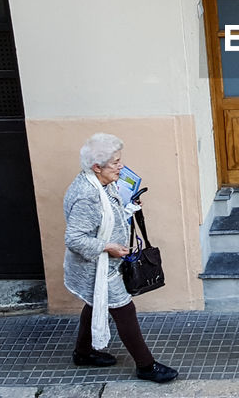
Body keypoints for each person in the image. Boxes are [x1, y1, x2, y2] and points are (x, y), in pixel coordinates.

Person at [64, 132, 177, 383]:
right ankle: (146, 366)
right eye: (115, 162)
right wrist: (108, 247)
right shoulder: (87, 196)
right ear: (96, 167)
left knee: (95, 302)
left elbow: (109, 213)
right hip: (98, 266)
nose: (121, 166)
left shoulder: (101, 183)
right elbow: (74, 239)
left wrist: (130, 206)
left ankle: (82, 353)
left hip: (105, 264)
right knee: (125, 310)